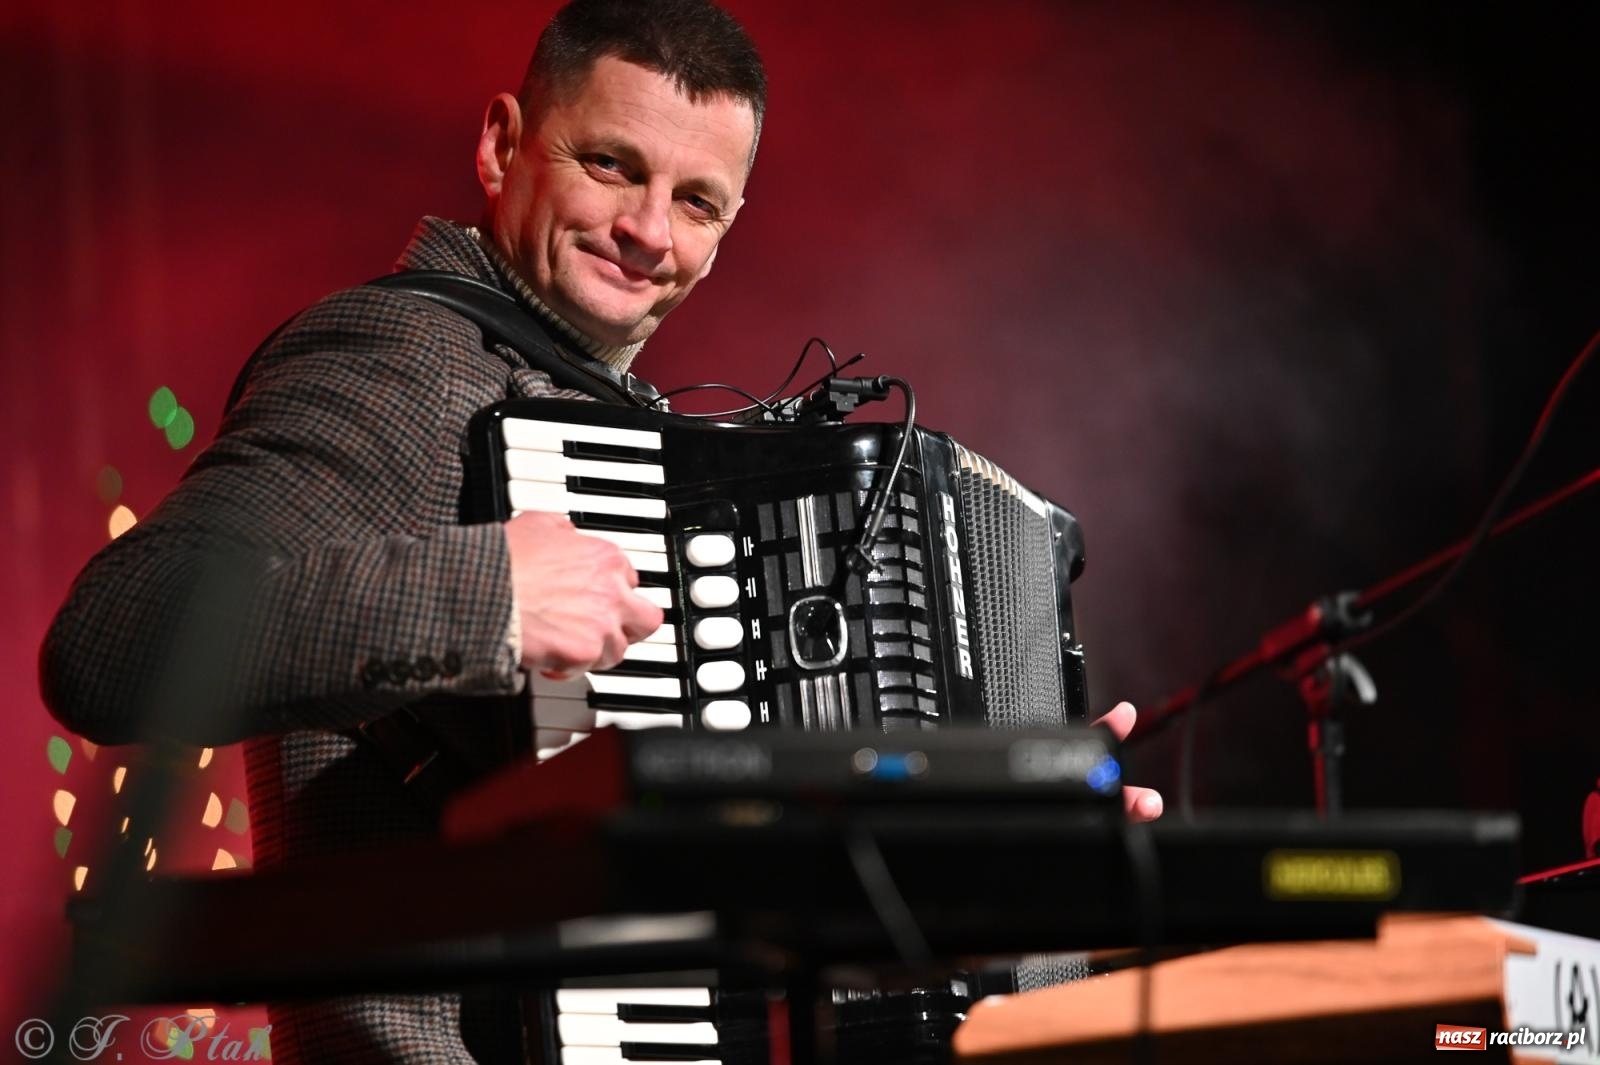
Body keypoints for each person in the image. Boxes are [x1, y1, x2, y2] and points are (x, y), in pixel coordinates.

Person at [40, 1, 1160, 1061]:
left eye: (697, 201)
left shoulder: (622, 438)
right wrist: (491, 600)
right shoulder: (403, 362)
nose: (645, 231)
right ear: (500, 145)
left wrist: (1009, 831)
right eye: (610, 164)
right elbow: (113, 642)